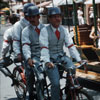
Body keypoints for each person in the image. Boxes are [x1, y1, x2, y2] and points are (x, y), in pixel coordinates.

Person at [39, 7, 82, 100]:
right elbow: (44, 48)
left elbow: (70, 45)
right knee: (55, 83)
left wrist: (79, 59)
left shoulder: (63, 30)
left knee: (72, 69)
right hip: (50, 60)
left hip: (61, 57)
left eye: (59, 16)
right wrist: (47, 61)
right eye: (54, 17)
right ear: (49, 19)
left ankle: (68, 90)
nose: (58, 19)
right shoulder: (44, 31)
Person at [22, 6, 45, 100]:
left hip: (45, 56)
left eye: (33, 17)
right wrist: (28, 58)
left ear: (38, 17)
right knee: (33, 77)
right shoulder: (25, 31)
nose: (31, 19)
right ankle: (31, 94)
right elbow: (25, 46)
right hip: (32, 57)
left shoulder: (45, 28)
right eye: (29, 17)